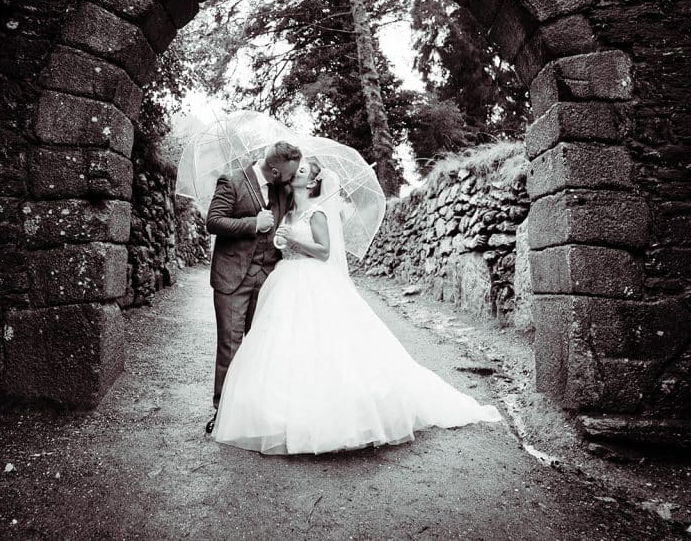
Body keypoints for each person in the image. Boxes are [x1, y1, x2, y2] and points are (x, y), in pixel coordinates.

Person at [212, 159, 501, 455]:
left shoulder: (317, 213)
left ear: (312, 183)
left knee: (323, 345)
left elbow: (324, 253)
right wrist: (279, 239)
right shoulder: (286, 210)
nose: (293, 174)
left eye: (300, 172)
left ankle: (326, 417)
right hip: (285, 280)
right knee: (283, 346)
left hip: (311, 280)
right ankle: (275, 413)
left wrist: (296, 244)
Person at [204, 140, 303, 435]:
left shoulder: (283, 189)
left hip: (267, 277)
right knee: (230, 347)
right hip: (232, 278)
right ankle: (223, 413)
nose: (291, 179)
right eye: (288, 174)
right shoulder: (232, 181)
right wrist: (252, 223)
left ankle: (255, 411)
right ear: (274, 170)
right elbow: (213, 221)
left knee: (263, 348)